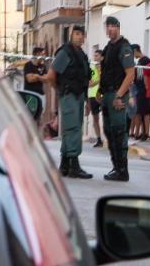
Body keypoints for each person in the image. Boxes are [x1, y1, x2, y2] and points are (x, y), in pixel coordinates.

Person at [42, 26, 92, 179]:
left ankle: (64, 165)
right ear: (71, 36)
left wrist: (87, 100)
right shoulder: (65, 52)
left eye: (82, 34)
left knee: (73, 128)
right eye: (76, 34)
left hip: (78, 96)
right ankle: (74, 166)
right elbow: (51, 75)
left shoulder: (81, 55)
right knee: (73, 129)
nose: (79, 37)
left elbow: (84, 79)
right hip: (69, 95)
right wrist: (59, 90)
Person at [99, 16, 135, 182]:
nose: (111, 29)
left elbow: (130, 74)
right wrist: (100, 90)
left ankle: (123, 169)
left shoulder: (124, 47)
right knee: (109, 132)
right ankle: (116, 167)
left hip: (117, 95)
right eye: (108, 26)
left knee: (119, 133)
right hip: (107, 94)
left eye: (113, 26)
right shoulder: (108, 47)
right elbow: (106, 72)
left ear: (118, 28)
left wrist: (119, 95)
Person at [130, 44, 150, 140]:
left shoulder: (146, 60)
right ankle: (137, 133)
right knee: (138, 112)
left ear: (136, 50)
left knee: (145, 112)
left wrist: (146, 87)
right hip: (138, 89)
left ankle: (146, 133)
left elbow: (147, 75)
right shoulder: (138, 61)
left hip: (144, 89)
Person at [87, 49, 104, 147]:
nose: (95, 58)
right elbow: (89, 83)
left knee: (107, 117)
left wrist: (99, 80)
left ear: (102, 57)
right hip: (92, 95)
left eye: (97, 56)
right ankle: (99, 139)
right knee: (95, 118)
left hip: (103, 95)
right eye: (94, 56)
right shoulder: (91, 68)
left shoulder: (105, 68)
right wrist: (99, 80)